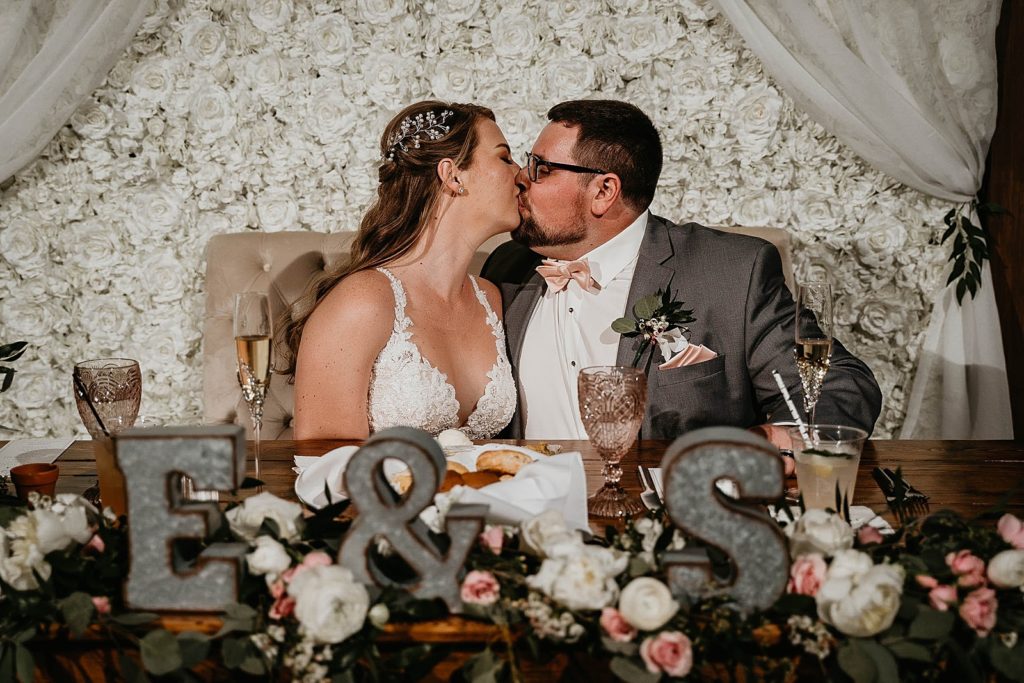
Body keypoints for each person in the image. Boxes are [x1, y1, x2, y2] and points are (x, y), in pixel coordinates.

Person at [482, 99, 882, 441]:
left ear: (604, 191)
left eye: (541, 168)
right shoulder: (507, 269)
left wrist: (771, 441)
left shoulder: (732, 272)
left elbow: (840, 385)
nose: (520, 178)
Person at [284, 101, 519, 439]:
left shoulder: (490, 298)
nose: (521, 172)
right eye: (504, 157)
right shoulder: (362, 301)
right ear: (452, 175)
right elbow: (324, 461)